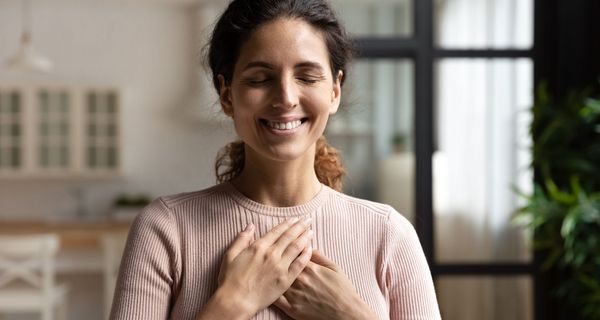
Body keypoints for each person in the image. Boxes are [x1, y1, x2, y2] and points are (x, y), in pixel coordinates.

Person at [110, 0, 441, 319]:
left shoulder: (388, 235)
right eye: (259, 78)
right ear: (227, 94)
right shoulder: (166, 230)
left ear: (335, 92)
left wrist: (350, 315)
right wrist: (230, 304)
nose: (285, 97)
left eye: (307, 77)